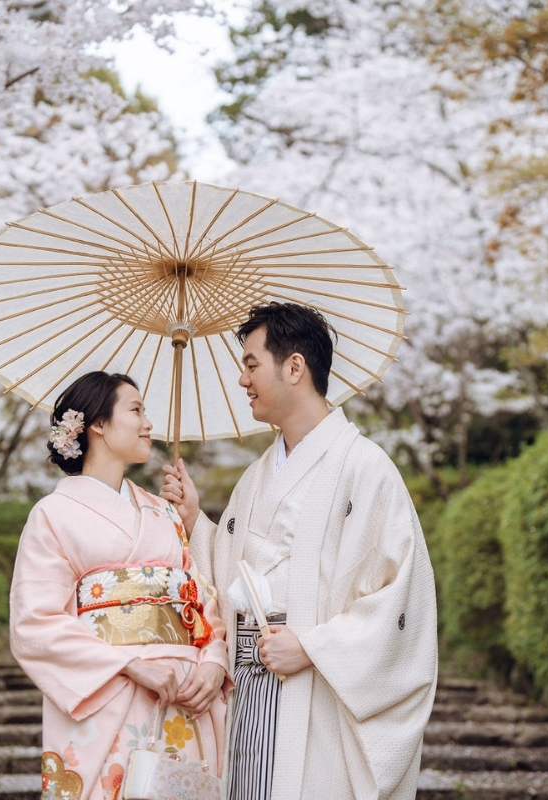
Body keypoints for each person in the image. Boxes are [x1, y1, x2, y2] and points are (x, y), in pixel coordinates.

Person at [161, 302, 438, 800]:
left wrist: (313, 646)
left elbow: (399, 598)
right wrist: (194, 523)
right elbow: (233, 573)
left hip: (318, 690)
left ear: (294, 366)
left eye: (250, 364)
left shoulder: (365, 468)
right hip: (249, 686)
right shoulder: (256, 477)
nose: (242, 381)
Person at [10, 371, 229, 800]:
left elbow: (201, 600)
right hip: (110, 691)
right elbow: (34, 623)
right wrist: (128, 664)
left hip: (185, 694)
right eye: (136, 410)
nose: (149, 423)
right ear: (98, 424)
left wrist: (214, 661)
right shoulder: (52, 514)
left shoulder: (163, 512)